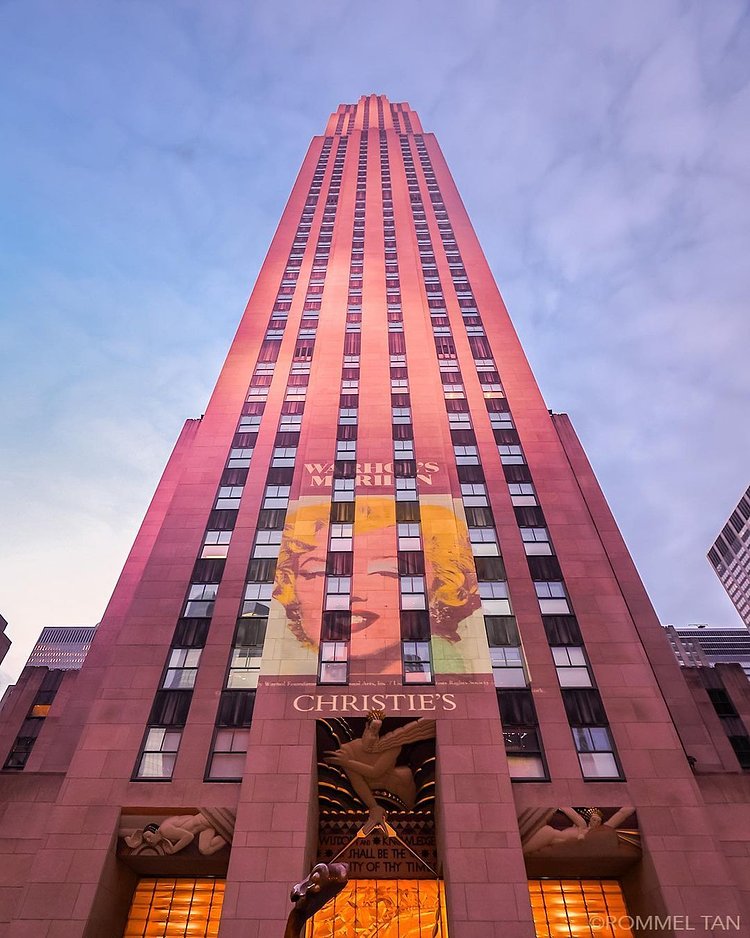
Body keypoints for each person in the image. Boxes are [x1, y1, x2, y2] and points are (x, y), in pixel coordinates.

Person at [325, 711, 436, 828]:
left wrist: (348, 763)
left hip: (397, 788)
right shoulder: (348, 749)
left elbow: (375, 771)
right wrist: (373, 806)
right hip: (366, 795)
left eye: (378, 732)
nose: (373, 738)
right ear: (366, 727)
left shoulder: (393, 746)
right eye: (372, 730)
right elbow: (357, 781)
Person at [124, 808, 235, 856]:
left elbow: (189, 836)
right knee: (205, 850)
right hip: (205, 827)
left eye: (149, 836)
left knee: (205, 849)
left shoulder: (164, 830)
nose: (149, 840)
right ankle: (228, 838)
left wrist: (174, 849)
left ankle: (230, 836)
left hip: (205, 820)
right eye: (147, 839)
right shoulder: (166, 830)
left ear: (156, 831)